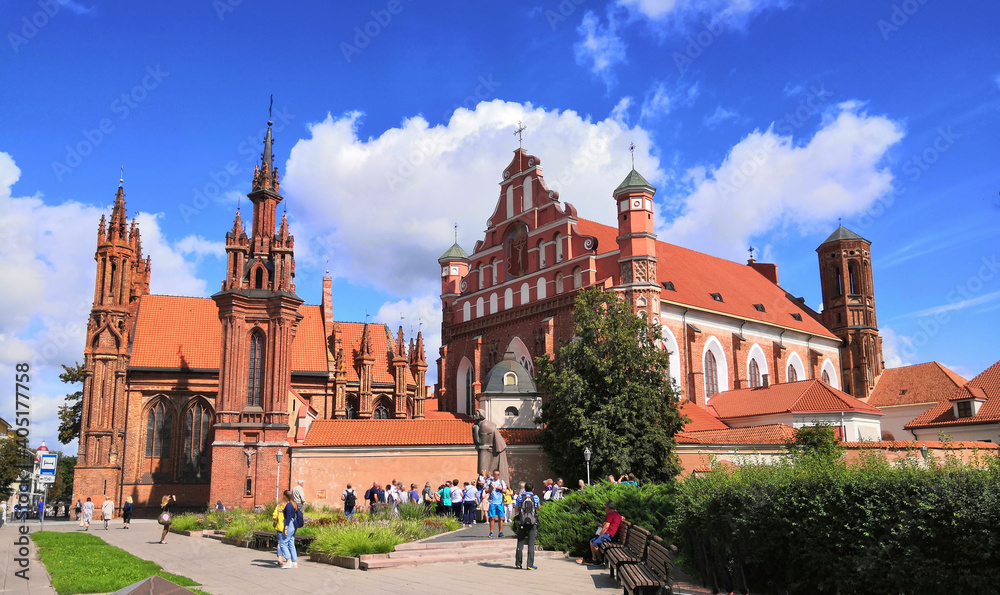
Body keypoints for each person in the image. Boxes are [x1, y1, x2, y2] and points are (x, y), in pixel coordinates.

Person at [514, 482, 541, 570]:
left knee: (520, 543)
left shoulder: (520, 497)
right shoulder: (535, 497)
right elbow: (538, 508)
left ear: (524, 489)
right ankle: (530, 564)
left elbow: (516, 509)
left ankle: (518, 564)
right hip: (532, 524)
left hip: (522, 523)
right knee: (531, 544)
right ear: (533, 489)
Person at [278, 490, 299, 569]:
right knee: (291, 543)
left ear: (285, 496)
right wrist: (283, 511)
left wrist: (286, 528)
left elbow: (288, 517)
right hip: (293, 525)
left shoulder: (288, 505)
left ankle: (288, 561)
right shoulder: (293, 504)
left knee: (283, 543)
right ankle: (294, 562)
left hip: (289, 524)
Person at [487, 470, 507, 538]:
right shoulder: (490, 482)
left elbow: (505, 491)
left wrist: (501, 489)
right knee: (492, 518)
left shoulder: (501, 482)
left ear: (499, 475)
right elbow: (486, 491)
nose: (496, 476)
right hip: (492, 502)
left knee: (500, 518)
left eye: (498, 474)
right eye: (495, 474)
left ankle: (500, 532)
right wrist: (491, 488)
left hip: (500, 502)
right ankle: (491, 532)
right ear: (493, 474)